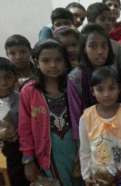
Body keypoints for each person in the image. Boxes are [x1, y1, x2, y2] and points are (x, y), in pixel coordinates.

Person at [18, 39, 81, 186]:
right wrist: (28, 160)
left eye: (58, 60)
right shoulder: (29, 91)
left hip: (77, 150)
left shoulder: (73, 85)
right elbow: (24, 129)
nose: (53, 65)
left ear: (65, 62)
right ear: (36, 61)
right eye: (46, 60)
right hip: (48, 155)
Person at [79, 66, 121, 185]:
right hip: (97, 178)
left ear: (119, 89)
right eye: (100, 89)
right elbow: (84, 150)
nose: (106, 94)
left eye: (112, 88)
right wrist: (86, 176)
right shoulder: (86, 116)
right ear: (92, 92)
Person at [67, 23, 115, 142]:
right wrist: (80, 143)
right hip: (88, 136)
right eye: (93, 46)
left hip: (114, 131)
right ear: (84, 49)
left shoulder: (112, 72)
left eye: (104, 46)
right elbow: (75, 114)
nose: (100, 51)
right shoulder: (75, 77)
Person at [0, 58, 30, 186]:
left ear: (15, 77)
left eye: (7, 77)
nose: (3, 82)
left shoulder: (22, 98)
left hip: (19, 151)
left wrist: (16, 133)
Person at [86, 2, 121, 69]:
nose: (108, 23)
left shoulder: (116, 46)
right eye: (102, 19)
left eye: (110, 19)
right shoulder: (80, 43)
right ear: (91, 21)